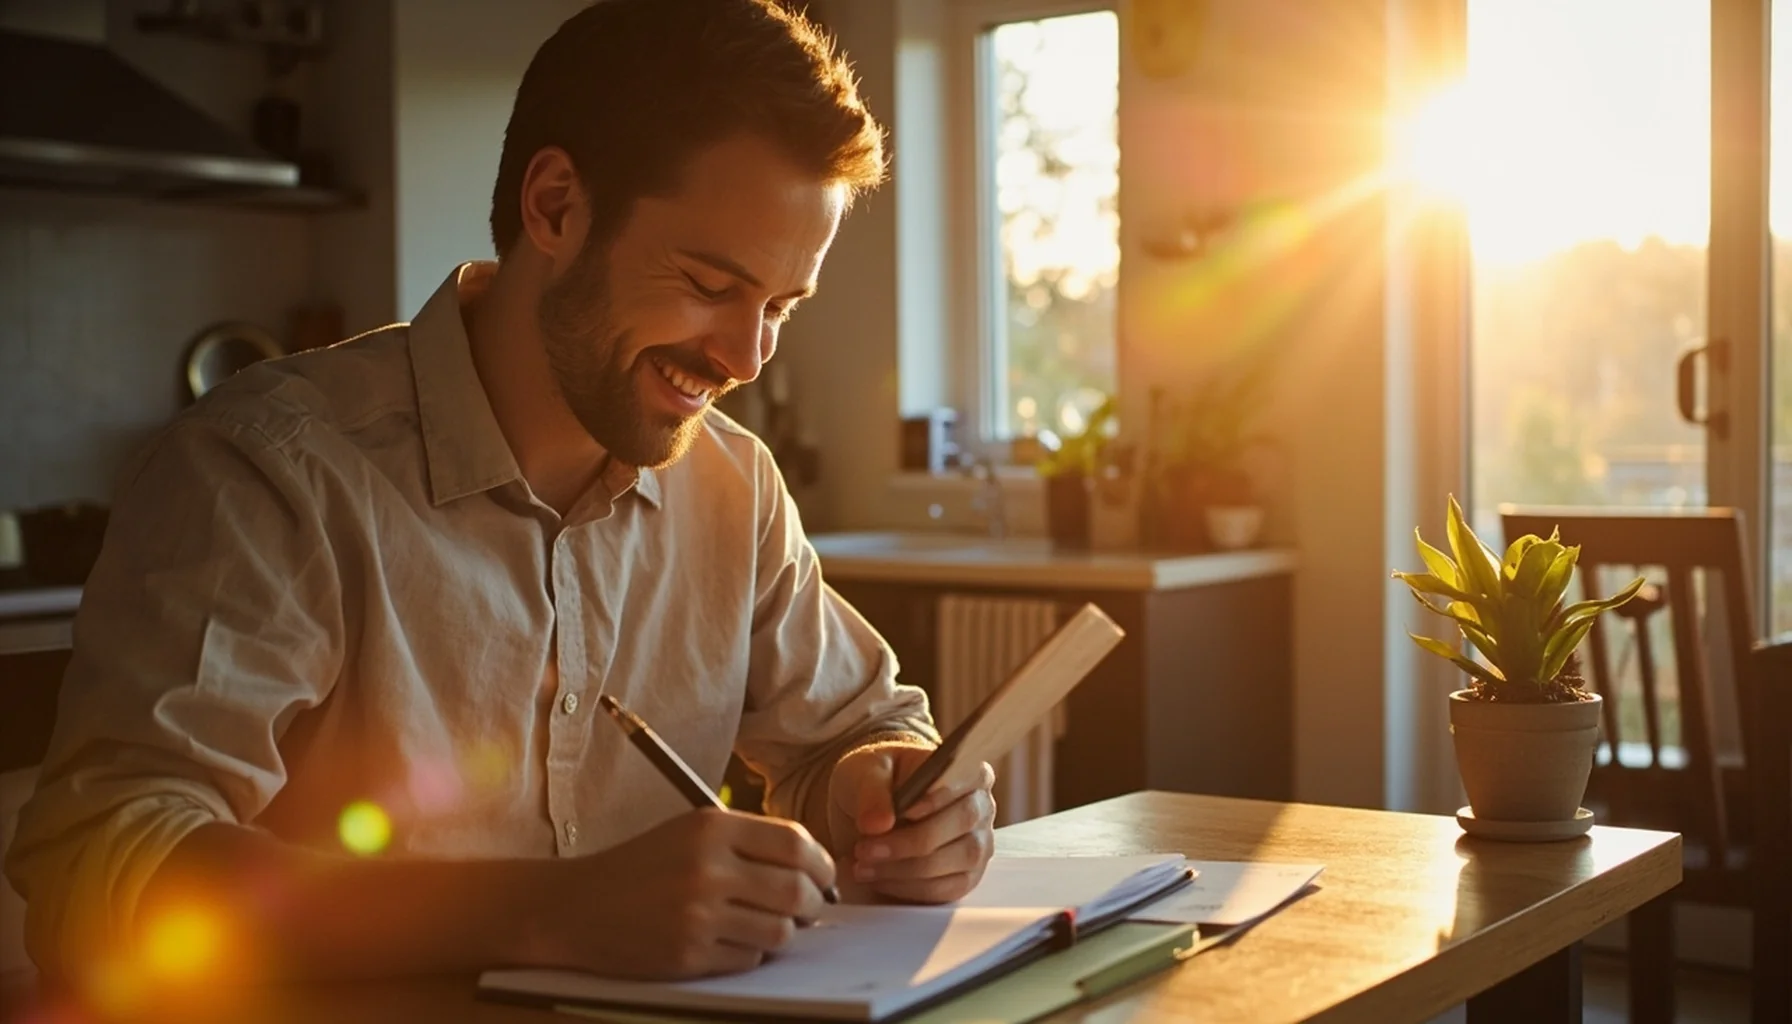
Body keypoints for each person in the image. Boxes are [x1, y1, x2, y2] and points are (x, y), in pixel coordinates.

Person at [6, 0, 996, 988]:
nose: (745, 355)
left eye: (779, 306)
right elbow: (101, 866)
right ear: (556, 205)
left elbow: (856, 733)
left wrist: (886, 795)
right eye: (706, 282)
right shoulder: (270, 471)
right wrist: (547, 913)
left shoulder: (734, 486)